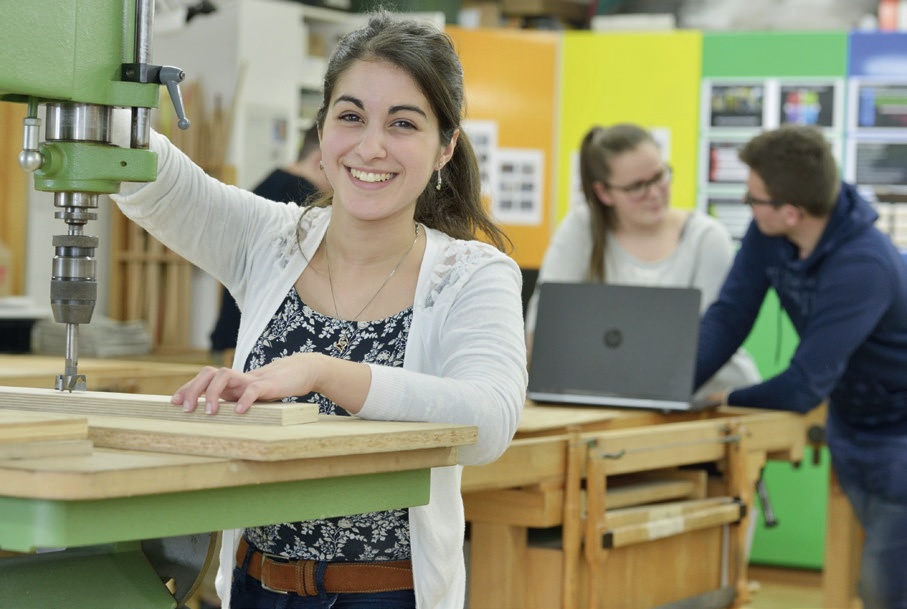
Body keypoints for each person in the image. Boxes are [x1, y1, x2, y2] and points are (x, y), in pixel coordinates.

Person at [112, 12, 527, 609]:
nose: (370, 146)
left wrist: (323, 371)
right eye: (351, 116)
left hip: (387, 596)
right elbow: (155, 178)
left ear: (445, 147)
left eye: (403, 123)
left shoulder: (471, 275)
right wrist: (93, 98)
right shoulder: (271, 238)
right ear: (324, 129)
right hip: (255, 588)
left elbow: (488, 424)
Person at [694, 124, 907, 609]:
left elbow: (804, 385)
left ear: (791, 211)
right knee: (876, 580)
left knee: (885, 588)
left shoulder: (863, 265)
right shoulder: (771, 233)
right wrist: (669, 386)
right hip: (853, 423)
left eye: (753, 200)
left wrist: (726, 399)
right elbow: (729, 317)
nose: (749, 207)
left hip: (898, 436)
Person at [525, 123, 760, 399]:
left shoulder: (707, 237)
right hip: (615, 400)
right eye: (637, 186)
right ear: (604, 192)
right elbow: (543, 329)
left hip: (708, 400)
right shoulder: (581, 228)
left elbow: (708, 343)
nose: (655, 193)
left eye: (660, 176)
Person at [209, 125, 329, 363]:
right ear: (319, 160)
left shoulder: (269, 184)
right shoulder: (303, 197)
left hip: (233, 333)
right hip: (260, 343)